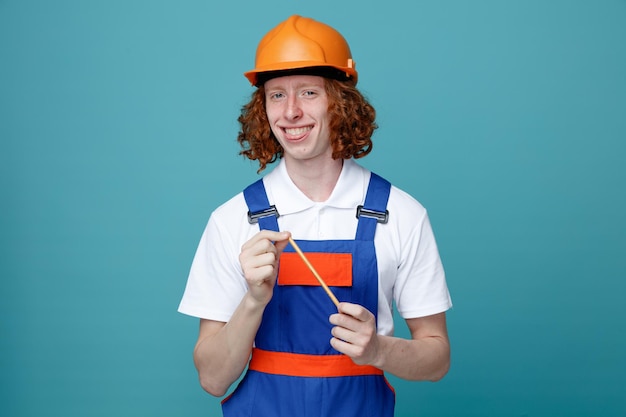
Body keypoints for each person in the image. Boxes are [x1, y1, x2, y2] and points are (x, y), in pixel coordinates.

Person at [178, 15, 452, 417]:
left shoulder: (401, 214)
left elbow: (437, 360)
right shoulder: (233, 219)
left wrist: (378, 349)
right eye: (276, 95)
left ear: (340, 102)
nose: (290, 112)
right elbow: (213, 380)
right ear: (263, 108)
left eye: (308, 92)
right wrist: (254, 300)